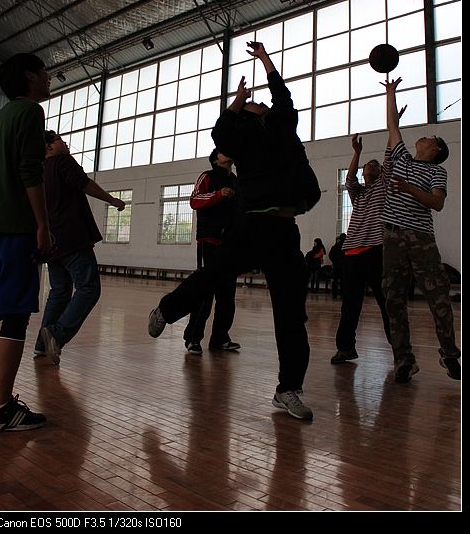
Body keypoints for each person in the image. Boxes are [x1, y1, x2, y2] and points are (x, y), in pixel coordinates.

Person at [148, 41, 321, 420]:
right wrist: (237, 100)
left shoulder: (283, 126)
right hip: (250, 224)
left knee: (291, 313)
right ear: (247, 116)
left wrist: (265, 60)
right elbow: (221, 131)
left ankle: (288, 389)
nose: (261, 103)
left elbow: (283, 95)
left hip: (283, 230)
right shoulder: (242, 138)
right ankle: (167, 309)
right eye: (254, 104)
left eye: (259, 102)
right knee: (213, 276)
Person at [382, 77, 460, 383]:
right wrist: (391, 93)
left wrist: (409, 188)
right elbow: (392, 126)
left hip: (421, 240)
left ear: (435, 149)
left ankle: (450, 354)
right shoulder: (401, 158)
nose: (423, 137)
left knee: (438, 296)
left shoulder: (437, 171)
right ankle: (404, 360)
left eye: (429, 138)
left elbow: (437, 203)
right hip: (392, 237)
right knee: (393, 300)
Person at [33, 130, 125, 365]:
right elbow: (84, 183)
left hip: (51, 242)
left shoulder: (38, 171)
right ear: (49, 147)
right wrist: (112, 200)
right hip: (72, 238)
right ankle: (57, 335)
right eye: (59, 139)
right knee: (89, 288)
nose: (64, 142)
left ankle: (43, 345)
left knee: (59, 292)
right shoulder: (62, 161)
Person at [0, 53, 53, 431]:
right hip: (16, 227)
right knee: (15, 313)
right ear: (30, 77)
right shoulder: (30, 112)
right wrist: (42, 225)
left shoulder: (1, 116)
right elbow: (30, 172)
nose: (49, 79)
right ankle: (2, 408)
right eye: (45, 73)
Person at [330, 135, 393, 364]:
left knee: (386, 303)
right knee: (350, 305)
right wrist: (357, 152)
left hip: (376, 250)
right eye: (368, 165)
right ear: (363, 171)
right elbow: (349, 179)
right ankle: (345, 348)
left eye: (376, 165)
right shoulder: (358, 194)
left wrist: (393, 129)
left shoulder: (383, 187)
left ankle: (399, 351)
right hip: (352, 254)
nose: (372, 166)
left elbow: (389, 160)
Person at [183, 149, 240, 355]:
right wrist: (218, 194)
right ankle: (193, 338)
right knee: (205, 291)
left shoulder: (236, 181)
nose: (228, 152)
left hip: (230, 243)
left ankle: (220, 338)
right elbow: (194, 200)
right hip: (209, 240)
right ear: (216, 159)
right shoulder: (206, 176)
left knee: (227, 294)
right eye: (223, 151)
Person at [328, 233, 346, 299]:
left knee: (335, 281)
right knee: (342, 281)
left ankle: (334, 294)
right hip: (343, 266)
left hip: (336, 266)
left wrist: (334, 261)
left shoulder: (335, 246)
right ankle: (342, 294)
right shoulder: (346, 247)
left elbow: (330, 255)